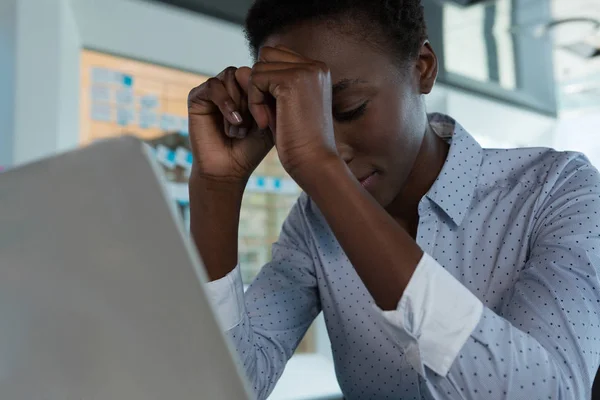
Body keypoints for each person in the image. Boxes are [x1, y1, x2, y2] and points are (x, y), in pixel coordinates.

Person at [187, 0, 600, 398]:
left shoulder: (559, 190)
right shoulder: (314, 224)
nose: (332, 150)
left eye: (350, 109)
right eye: (302, 121)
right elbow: (223, 388)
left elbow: (548, 394)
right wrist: (216, 186)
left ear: (422, 69)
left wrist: (324, 169)